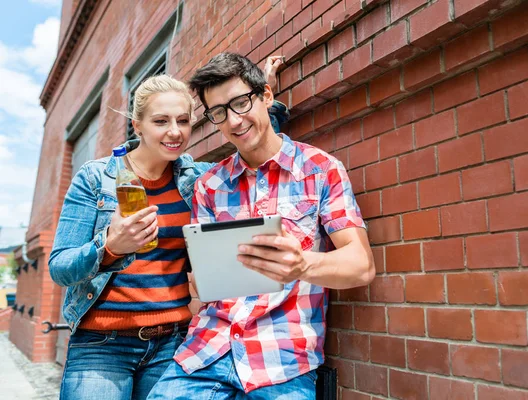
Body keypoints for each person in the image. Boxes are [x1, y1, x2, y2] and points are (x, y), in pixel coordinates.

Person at [49, 58, 287, 400]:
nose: (174, 132)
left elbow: (256, 145)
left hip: (172, 342)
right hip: (102, 345)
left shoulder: (196, 180)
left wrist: (264, 100)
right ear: (138, 126)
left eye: (183, 121)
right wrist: (110, 246)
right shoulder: (95, 177)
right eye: (161, 121)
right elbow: (60, 267)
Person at [148, 52, 375, 399]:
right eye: (220, 113)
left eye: (241, 103)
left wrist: (303, 264)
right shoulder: (209, 184)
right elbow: (202, 281)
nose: (234, 121)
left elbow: (361, 265)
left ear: (266, 96)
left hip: (282, 359)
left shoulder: (319, 169)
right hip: (207, 350)